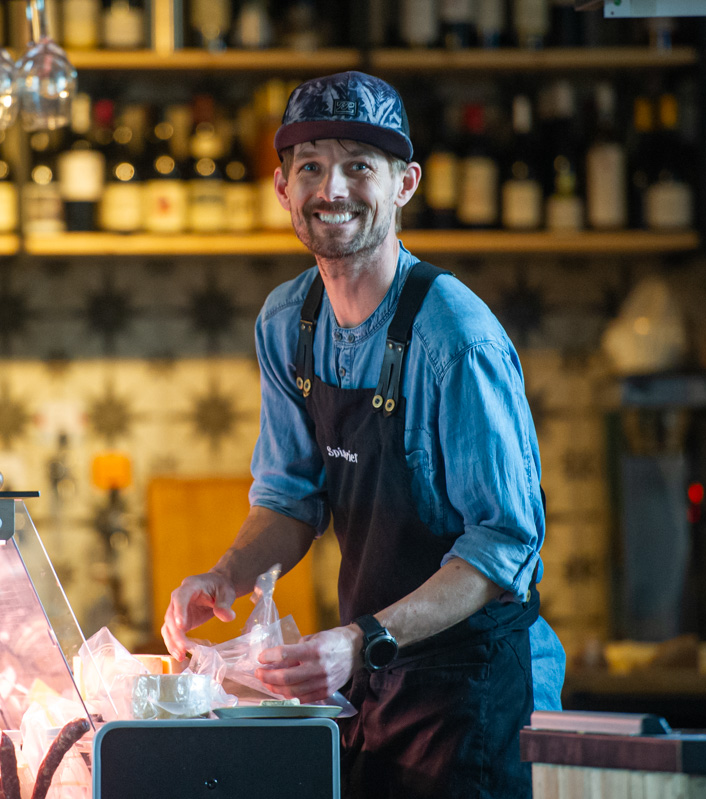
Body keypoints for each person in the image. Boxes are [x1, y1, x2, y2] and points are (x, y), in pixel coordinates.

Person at [161, 71, 565, 798]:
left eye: (358, 166)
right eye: (310, 166)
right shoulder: (288, 322)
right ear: (283, 188)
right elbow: (289, 499)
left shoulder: (456, 337)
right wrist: (224, 574)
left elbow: (505, 544)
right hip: (377, 682)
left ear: (404, 183)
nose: (332, 189)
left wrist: (359, 639)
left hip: (478, 691)